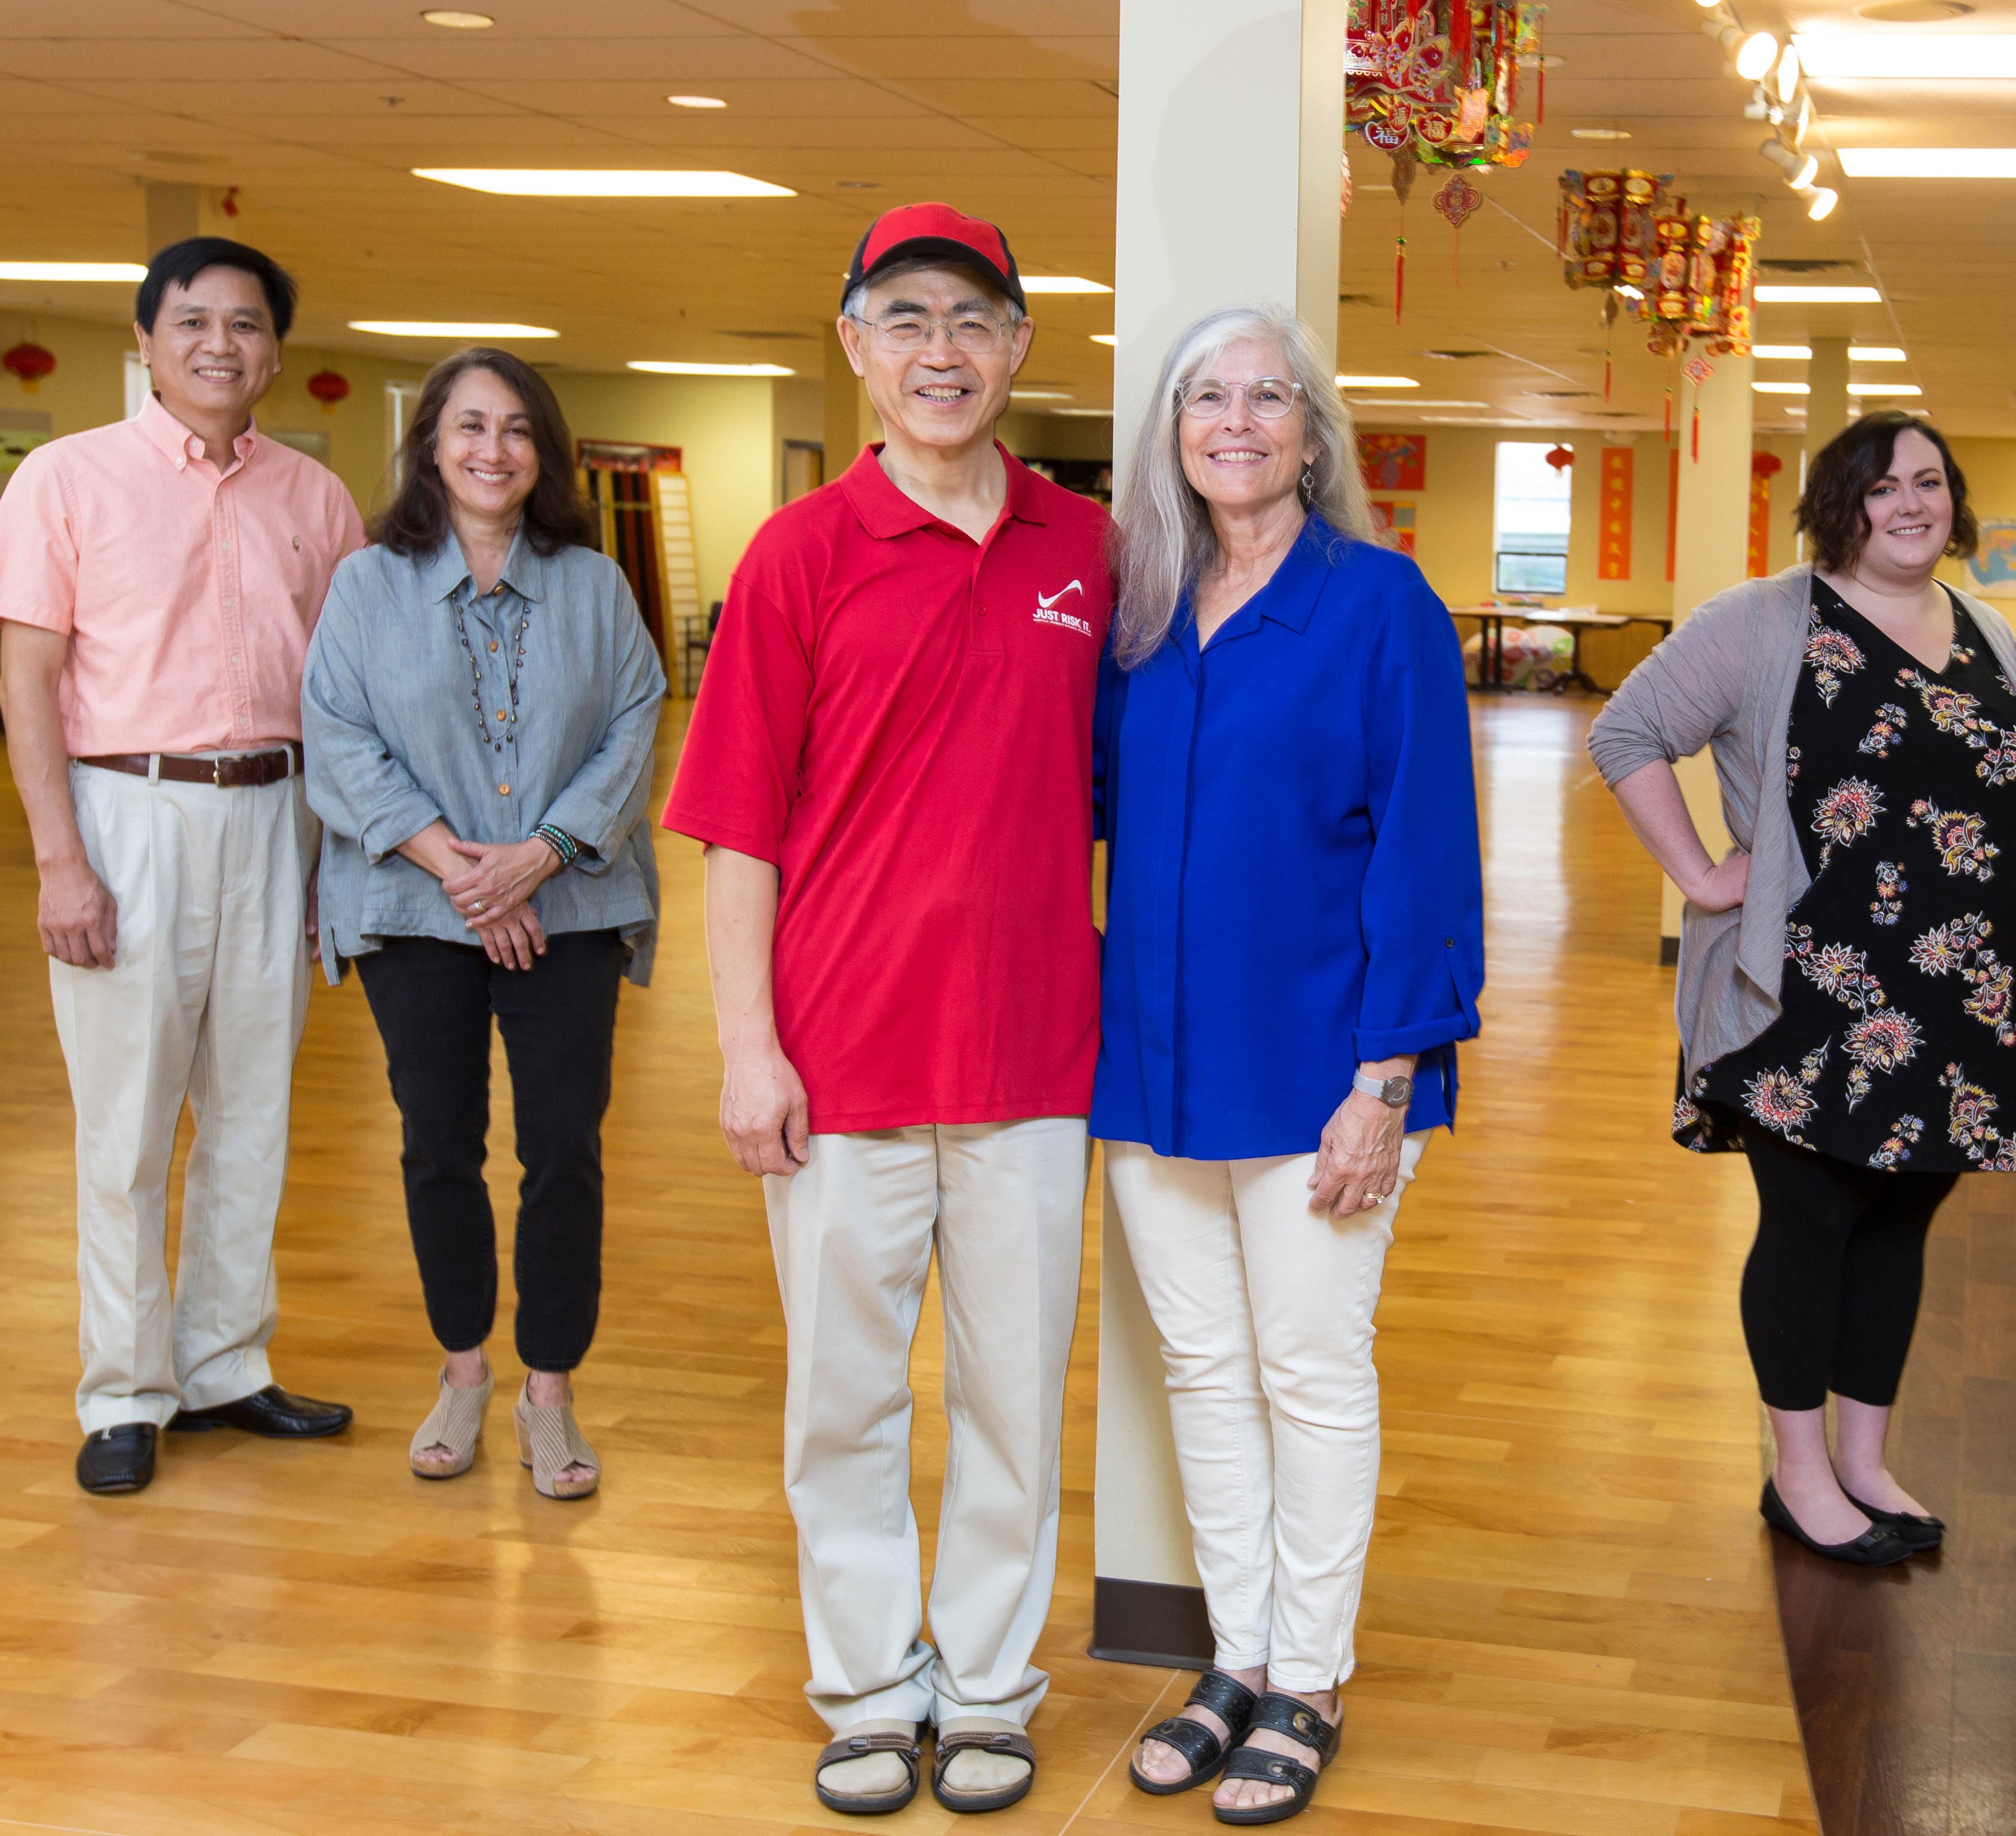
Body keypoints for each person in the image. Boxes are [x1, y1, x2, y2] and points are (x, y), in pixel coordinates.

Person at [661, 203, 1109, 1819]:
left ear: (1017, 349)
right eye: (907, 319)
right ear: (854, 345)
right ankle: (864, 1686)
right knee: (840, 1398)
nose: (943, 351)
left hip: (1036, 1059)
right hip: (836, 1061)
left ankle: (985, 1685)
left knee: (1011, 1396)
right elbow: (734, 828)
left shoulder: (1085, 551)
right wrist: (744, 1047)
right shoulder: (796, 555)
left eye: (974, 321)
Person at [1100, 307, 1483, 1824]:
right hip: (1154, 1059)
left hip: (1326, 1058)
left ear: (1313, 435)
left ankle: (1311, 1673)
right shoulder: (1138, 611)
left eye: (1270, 396)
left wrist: (1385, 1081)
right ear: (1173, 433)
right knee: (1202, 1366)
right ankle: (1239, 1653)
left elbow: (1427, 857)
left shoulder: (1379, 604)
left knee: (1310, 1372)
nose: (1238, 420)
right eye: (1209, 396)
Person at [1588, 412, 2016, 1571]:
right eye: (1882, 485)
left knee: (1902, 1223)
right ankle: (1798, 1474)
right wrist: (1701, 871)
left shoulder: (1986, 629)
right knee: (1813, 1221)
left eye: (1932, 483)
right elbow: (1629, 729)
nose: (1912, 503)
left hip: (1956, 996)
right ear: (1834, 502)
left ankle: (1864, 1458)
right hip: (1806, 991)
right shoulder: (1763, 619)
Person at [0, 238, 363, 1496]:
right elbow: (25, 677)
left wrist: (332, 864)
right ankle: (124, 1387)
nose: (219, 346)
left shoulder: (315, 497)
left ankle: (226, 1365)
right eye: (191, 322)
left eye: (245, 325)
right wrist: (59, 863)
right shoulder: (65, 478)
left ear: (275, 351)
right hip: (125, 808)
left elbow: (346, 693)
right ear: (145, 339)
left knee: (253, 1109)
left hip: (278, 810)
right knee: (127, 1122)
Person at [301, 348, 664, 1501]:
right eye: (468, 427)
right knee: (437, 1145)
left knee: (563, 1148)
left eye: (516, 430)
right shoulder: (366, 586)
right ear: (430, 445)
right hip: (416, 908)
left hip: (571, 903)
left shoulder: (595, 587)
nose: (492, 450)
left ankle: (548, 1389)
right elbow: (339, 730)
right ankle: (462, 1368)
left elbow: (635, 719)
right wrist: (454, 866)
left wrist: (538, 857)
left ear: (542, 453)